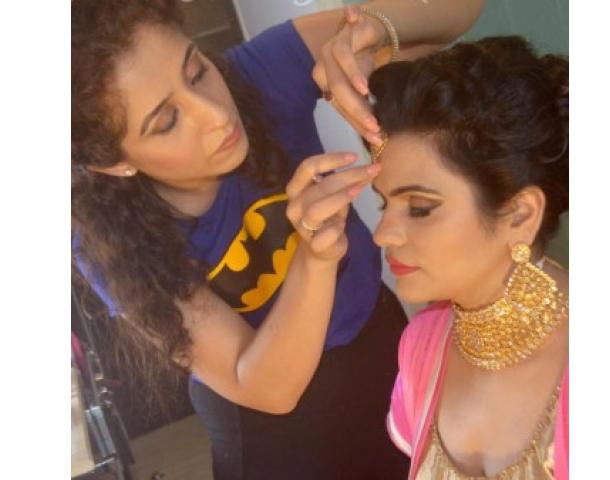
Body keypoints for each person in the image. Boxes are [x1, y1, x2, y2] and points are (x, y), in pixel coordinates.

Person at [71, 0, 484, 478]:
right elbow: (267, 388)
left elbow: (458, 11)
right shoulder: (109, 241)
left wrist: (371, 28)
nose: (216, 115)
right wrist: (315, 259)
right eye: (167, 122)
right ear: (116, 162)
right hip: (274, 430)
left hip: (382, 344)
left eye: (198, 71)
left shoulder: (259, 74)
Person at [367, 36, 569, 479]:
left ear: (520, 215)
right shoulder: (421, 346)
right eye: (384, 204)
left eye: (420, 208)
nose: (382, 234)